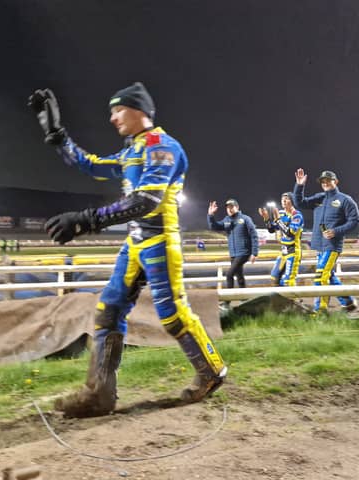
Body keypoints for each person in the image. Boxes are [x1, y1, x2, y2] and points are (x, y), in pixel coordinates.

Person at [28, 82, 227, 417]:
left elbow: (145, 201)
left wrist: (85, 220)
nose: (112, 118)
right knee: (108, 310)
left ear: (140, 111)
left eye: (118, 109)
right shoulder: (133, 150)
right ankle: (99, 396)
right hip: (136, 243)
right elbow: (90, 164)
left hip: (160, 242)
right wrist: (58, 136)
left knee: (173, 315)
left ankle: (212, 371)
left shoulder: (162, 146)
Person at [293, 169, 359, 314]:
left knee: (320, 277)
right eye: (323, 182)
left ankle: (321, 310)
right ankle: (348, 302)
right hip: (319, 245)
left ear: (335, 182)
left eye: (328, 181)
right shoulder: (319, 198)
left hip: (332, 246)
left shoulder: (345, 200)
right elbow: (299, 203)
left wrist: (336, 231)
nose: (325, 183)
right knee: (328, 275)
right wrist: (299, 186)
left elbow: (354, 221)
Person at [207, 198, 258, 289]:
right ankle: (244, 298)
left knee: (229, 275)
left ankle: (227, 300)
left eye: (232, 207)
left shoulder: (245, 219)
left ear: (237, 207)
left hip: (244, 253)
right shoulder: (226, 220)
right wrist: (211, 215)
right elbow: (213, 227)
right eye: (227, 208)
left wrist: (254, 253)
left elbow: (254, 235)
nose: (229, 209)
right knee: (239, 277)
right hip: (233, 254)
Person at [258, 193, 304, 286]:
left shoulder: (297, 216)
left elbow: (290, 233)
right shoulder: (282, 213)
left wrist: (278, 220)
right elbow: (272, 229)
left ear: (292, 201)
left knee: (288, 281)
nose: (283, 200)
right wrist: (266, 219)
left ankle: (294, 299)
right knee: (274, 277)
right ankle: (284, 299)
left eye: (286, 199)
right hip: (283, 252)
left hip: (293, 252)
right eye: (282, 199)